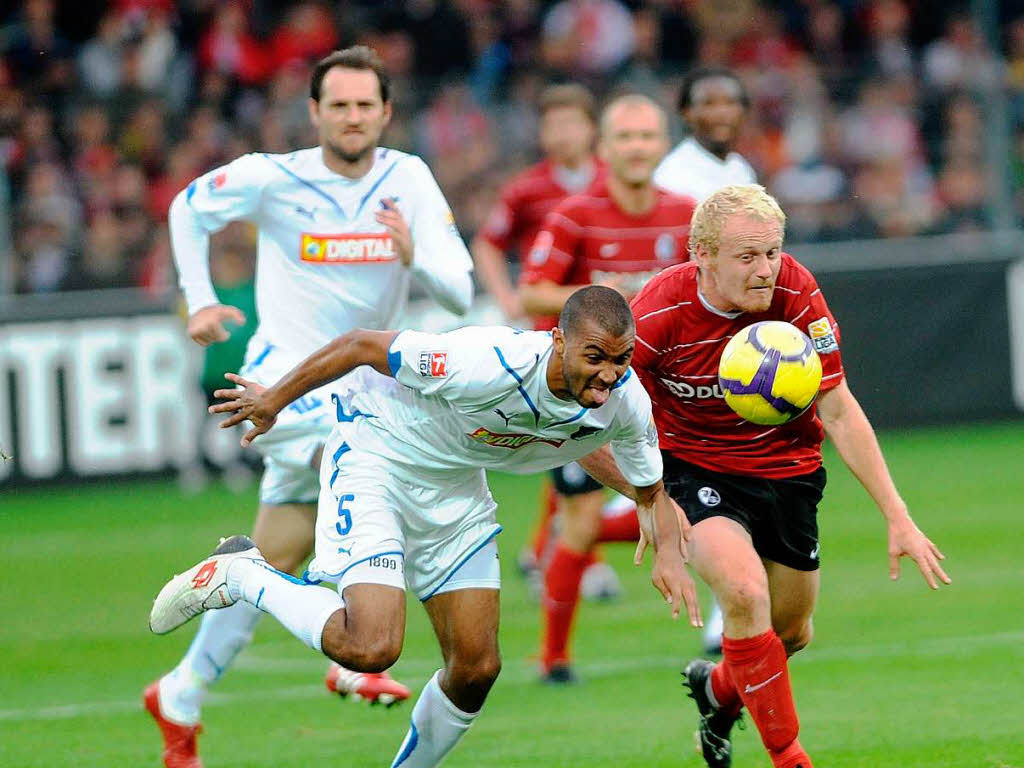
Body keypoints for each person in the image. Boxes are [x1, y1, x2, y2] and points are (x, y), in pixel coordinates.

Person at [149, 286, 703, 768]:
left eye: (622, 359)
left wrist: (669, 547)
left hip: (456, 485)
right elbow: (361, 345)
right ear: (557, 340)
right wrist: (272, 401)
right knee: (371, 646)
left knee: (476, 668)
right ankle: (243, 572)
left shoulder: (624, 400)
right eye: (596, 357)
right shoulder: (485, 360)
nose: (609, 372)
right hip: (379, 454)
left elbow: (633, 474)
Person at [145, 46, 474, 768]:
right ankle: (352, 654)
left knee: (271, 559)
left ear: (386, 112)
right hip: (280, 390)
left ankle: (183, 692)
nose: (354, 117)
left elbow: (458, 286)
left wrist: (413, 252)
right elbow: (187, 207)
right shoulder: (274, 176)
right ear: (316, 111)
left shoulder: (408, 178)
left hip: (367, 392)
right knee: (368, 470)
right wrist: (200, 296)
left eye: (367, 105)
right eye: (340, 105)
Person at [629, 184, 950, 768]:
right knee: (745, 594)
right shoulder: (656, 311)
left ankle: (718, 691)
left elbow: (839, 408)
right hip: (695, 470)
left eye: (772, 253)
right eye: (747, 256)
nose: (765, 270)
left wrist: (897, 515)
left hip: (788, 472)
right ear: (701, 253)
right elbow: (617, 418)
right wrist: (649, 504)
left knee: (790, 634)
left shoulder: (798, 292)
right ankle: (791, 758)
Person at [519, 93, 696, 683]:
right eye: (625, 137)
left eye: (648, 136)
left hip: (665, 391)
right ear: (605, 149)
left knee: (701, 504)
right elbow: (533, 293)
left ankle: (718, 608)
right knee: (581, 525)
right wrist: (606, 292)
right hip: (585, 396)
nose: (638, 147)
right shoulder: (575, 214)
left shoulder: (688, 213)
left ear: (663, 145)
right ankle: (553, 658)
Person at [654, 65, 757, 655]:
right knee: (693, 477)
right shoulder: (676, 177)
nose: (720, 110)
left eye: (730, 100)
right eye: (707, 101)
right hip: (690, 342)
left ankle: (728, 611)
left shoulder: (739, 173)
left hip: (736, 342)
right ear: (687, 113)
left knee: (728, 474)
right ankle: (562, 549)